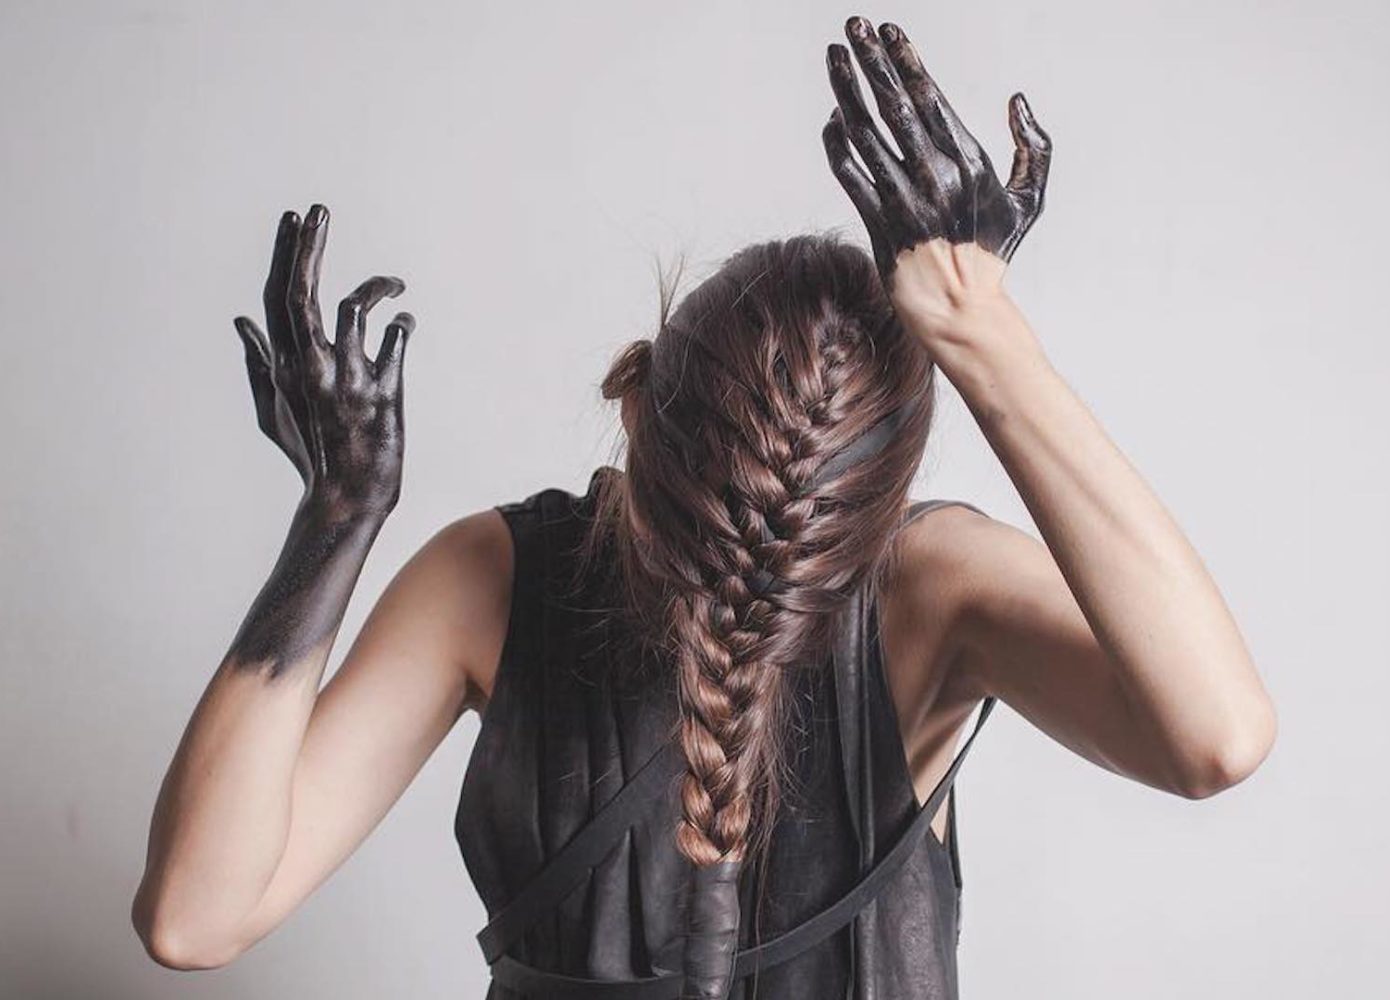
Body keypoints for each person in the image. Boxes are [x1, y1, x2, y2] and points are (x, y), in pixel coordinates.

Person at [131, 15, 1276, 999]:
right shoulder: (934, 587)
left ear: (633, 402)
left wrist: (336, 518)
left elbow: (196, 918)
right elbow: (1219, 738)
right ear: (883, 506)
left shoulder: (491, 577)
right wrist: (984, 332)